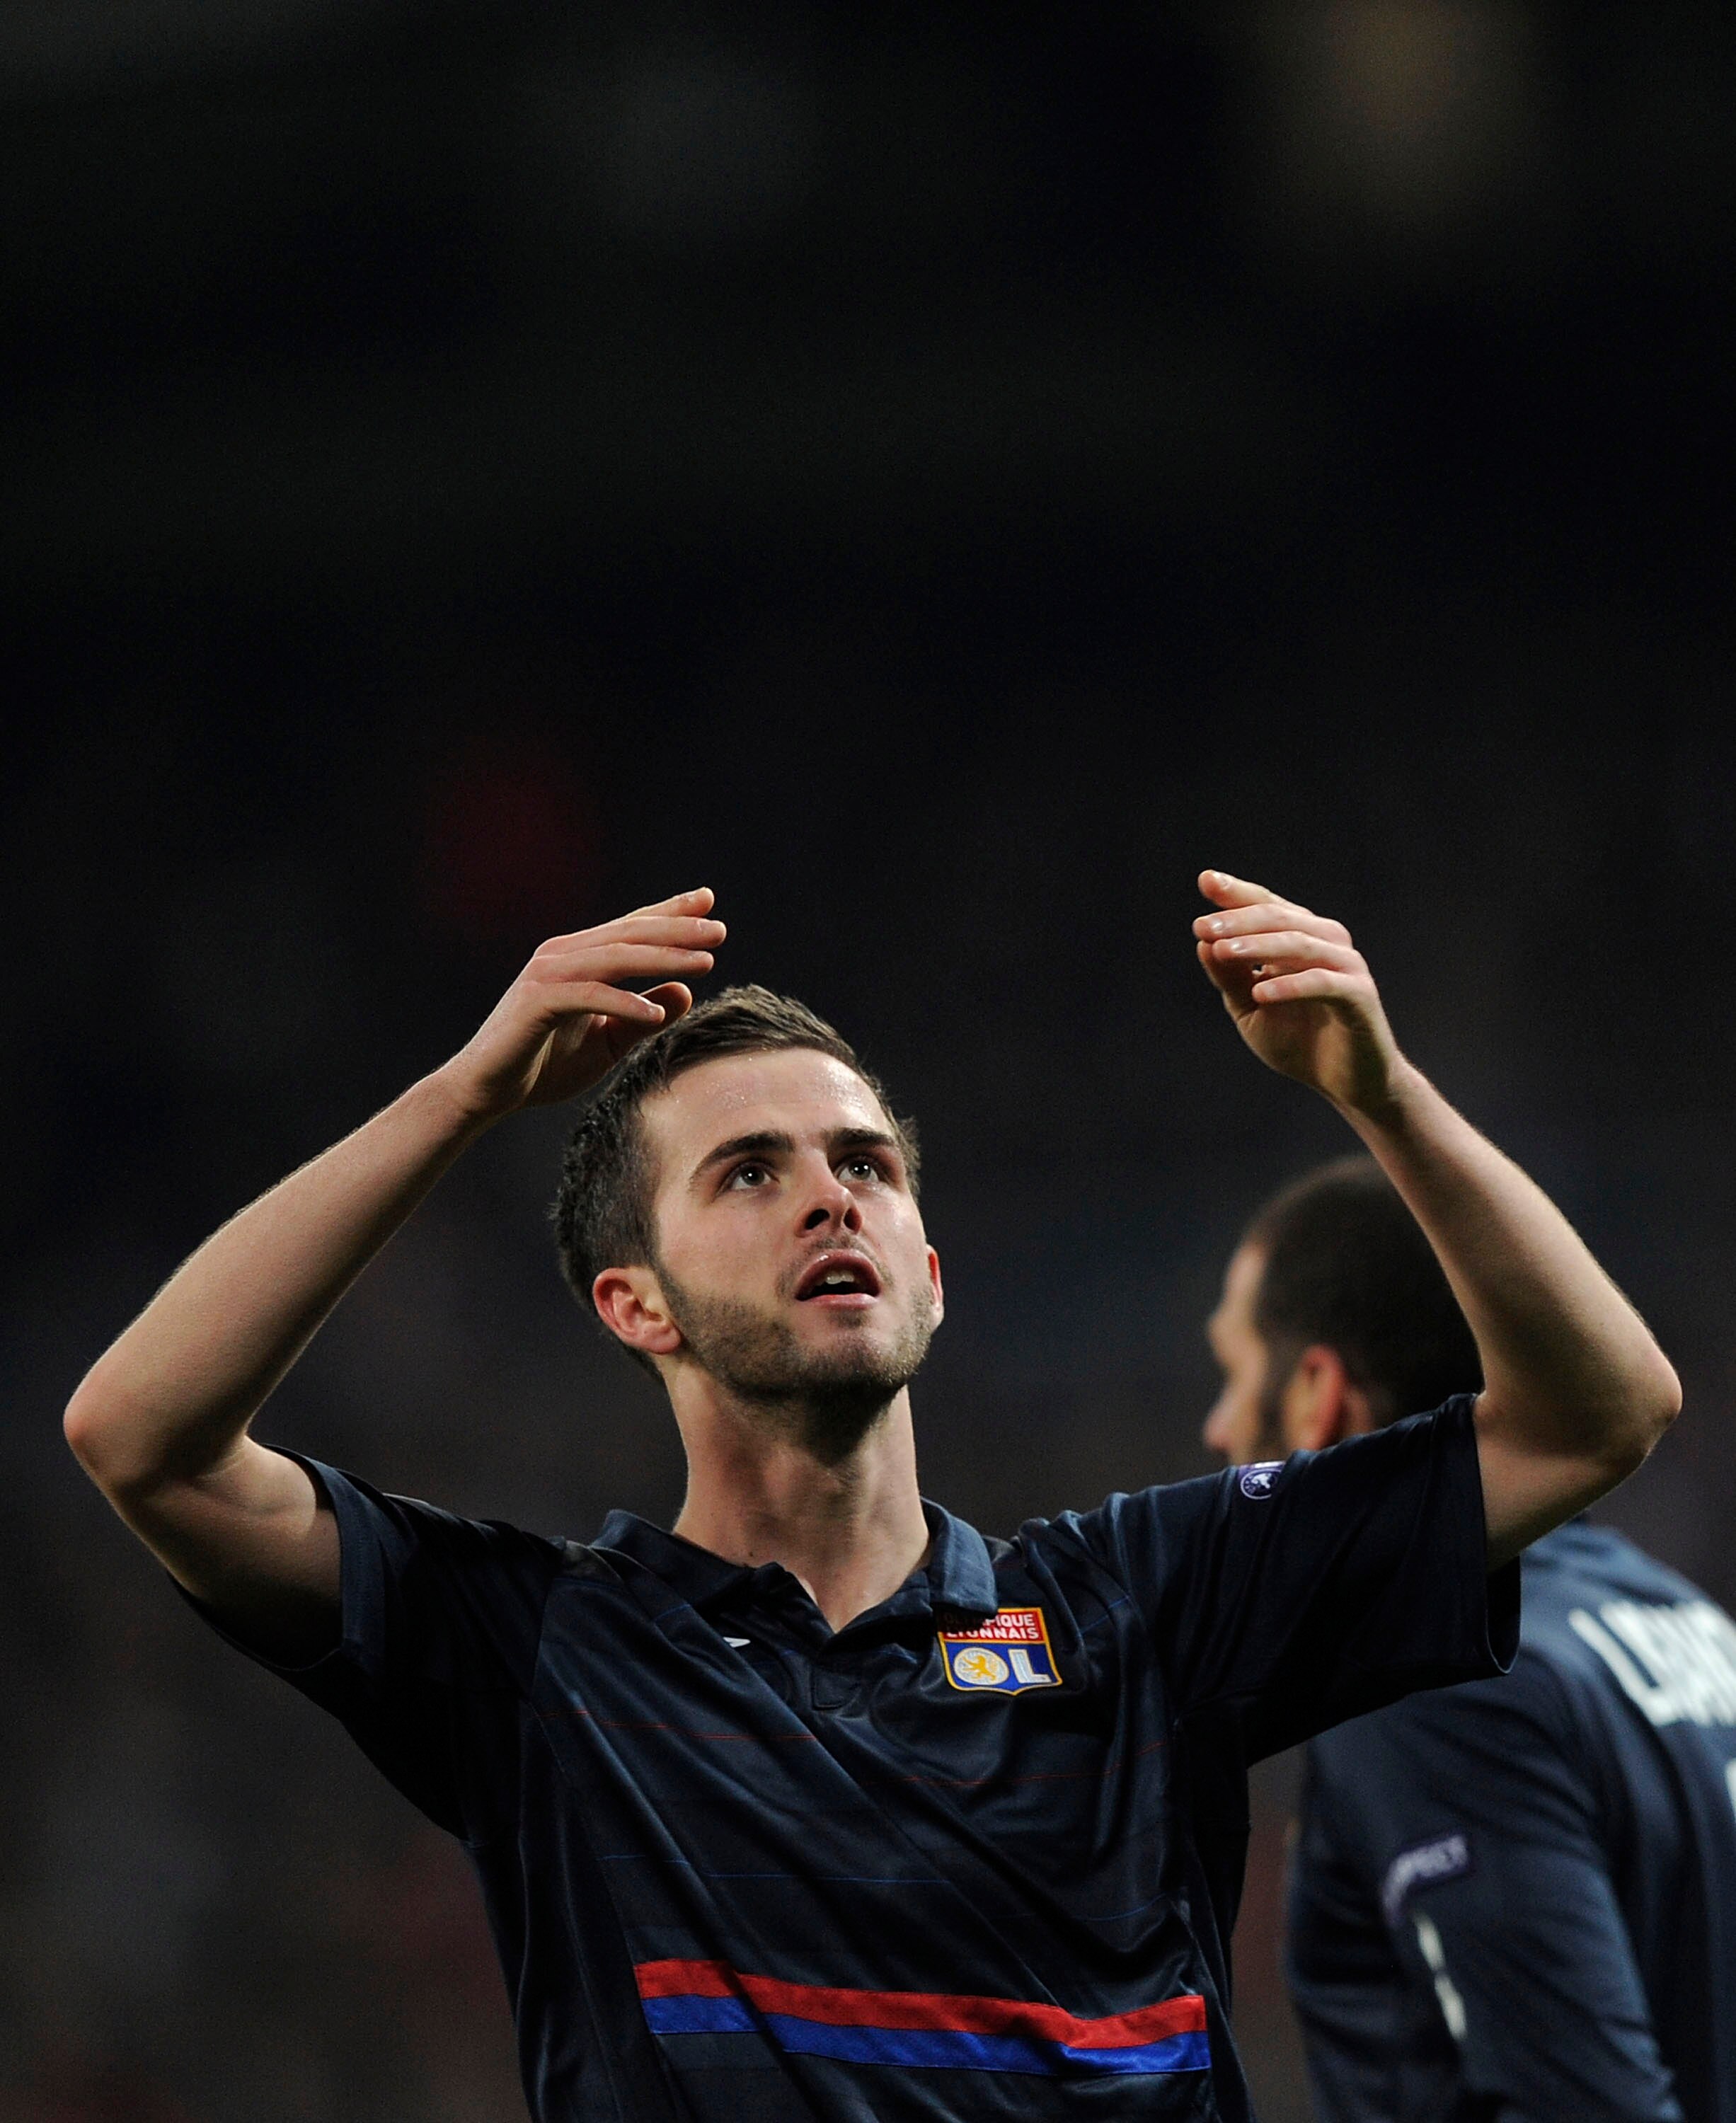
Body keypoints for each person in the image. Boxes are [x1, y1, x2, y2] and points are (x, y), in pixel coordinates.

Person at [64, 873, 1679, 2123]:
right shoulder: (546, 1656)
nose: (829, 1192)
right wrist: (468, 1093)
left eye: (867, 1164)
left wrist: (1378, 1088)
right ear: (635, 1303)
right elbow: (141, 1433)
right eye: (748, 1171)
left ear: (928, 1268)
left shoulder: (1139, 1608)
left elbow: (1598, 1409)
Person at [1202, 1157, 1736, 2123]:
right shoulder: (1689, 1626)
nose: (1217, 1426)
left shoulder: (1436, 1678)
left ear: (1317, 1395)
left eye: (1235, 1373)